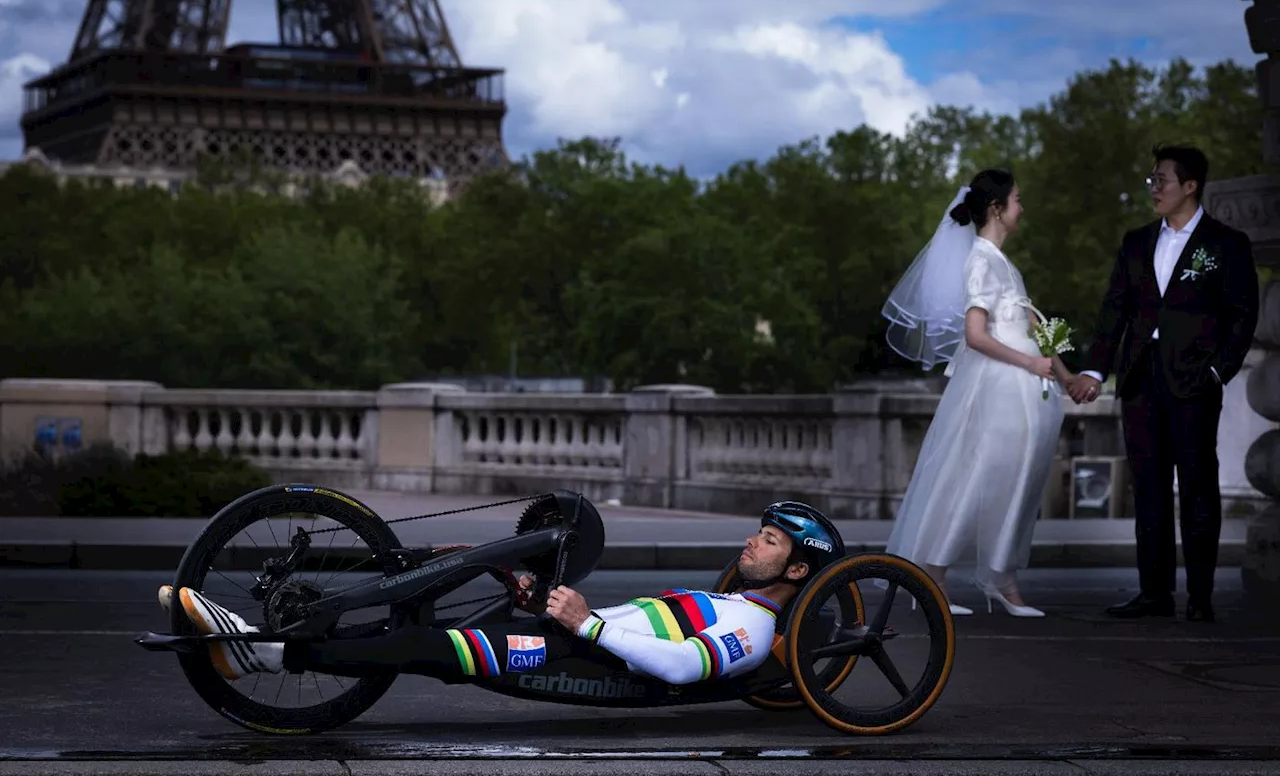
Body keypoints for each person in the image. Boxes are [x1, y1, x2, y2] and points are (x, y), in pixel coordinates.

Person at [156, 501, 844, 685]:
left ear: (796, 574)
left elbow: (682, 665)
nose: (753, 543)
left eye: (772, 542)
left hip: (569, 657)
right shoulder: (734, 598)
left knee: (429, 647)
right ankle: (283, 627)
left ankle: (262, 654)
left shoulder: (752, 632)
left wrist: (585, 623)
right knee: (462, 561)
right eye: (759, 532)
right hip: (569, 634)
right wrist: (539, 592)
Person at [1067, 144, 1259, 623]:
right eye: (1151, 179)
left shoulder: (1227, 244)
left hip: (1195, 379)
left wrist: (1219, 370)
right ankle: (1154, 593)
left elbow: (1242, 315)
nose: (1153, 187)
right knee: (1148, 488)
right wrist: (1095, 369)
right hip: (1139, 379)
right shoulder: (1135, 241)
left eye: (1162, 180)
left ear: (1190, 186)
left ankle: (1200, 595)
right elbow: (1114, 311)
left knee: (1197, 487)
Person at [881, 169, 1071, 618]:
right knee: (979, 474)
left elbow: (1034, 329)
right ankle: (937, 574)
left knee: (1015, 479)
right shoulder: (982, 259)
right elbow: (976, 335)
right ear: (997, 209)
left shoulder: (1004, 263)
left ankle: (1000, 578)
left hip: (1024, 386)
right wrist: (1029, 363)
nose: (1022, 208)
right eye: (1017, 200)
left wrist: (1066, 375)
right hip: (1000, 385)